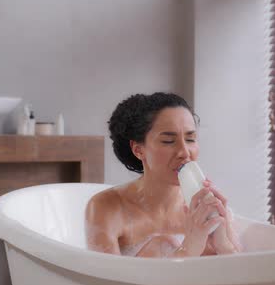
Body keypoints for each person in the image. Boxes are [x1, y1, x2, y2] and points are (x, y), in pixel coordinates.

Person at [85, 92, 241, 257]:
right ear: (138, 149)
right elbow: (109, 281)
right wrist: (189, 248)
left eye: (190, 139)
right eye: (168, 141)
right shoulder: (107, 208)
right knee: (162, 245)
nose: (184, 152)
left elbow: (244, 277)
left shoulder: (207, 208)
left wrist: (224, 244)